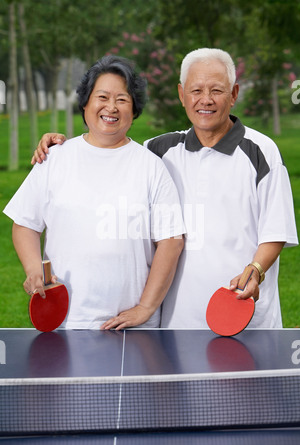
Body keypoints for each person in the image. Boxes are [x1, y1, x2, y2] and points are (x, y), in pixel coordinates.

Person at [30, 48, 298, 329]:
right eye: (196, 90)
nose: (205, 100)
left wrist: (255, 269)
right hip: (176, 324)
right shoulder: (158, 151)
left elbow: (275, 231)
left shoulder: (261, 152)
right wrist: (62, 146)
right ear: (182, 95)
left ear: (233, 94)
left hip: (245, 318)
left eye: (217, 91)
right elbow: (111, 148)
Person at [3, 56, 185, 330]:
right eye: (102, 96)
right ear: (86, 103)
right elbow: (25, 224)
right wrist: (33, 269)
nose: (111, 107)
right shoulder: (54, 159)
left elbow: (171, 242)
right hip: (68, 321)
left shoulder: (152, 167)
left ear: (134, 110)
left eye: (122, 99)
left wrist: (146, 307)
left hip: (132, 328)